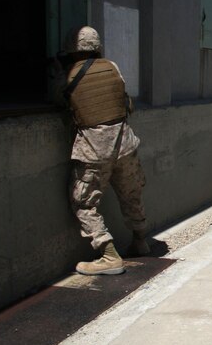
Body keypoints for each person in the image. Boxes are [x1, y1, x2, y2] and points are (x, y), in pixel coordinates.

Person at [61, 26, 149, 276]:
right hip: (124, 143)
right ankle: (140, 240)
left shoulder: (69, 75)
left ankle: (109, 255)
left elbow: (62, 101)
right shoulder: (112, 67)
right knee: (131, 193)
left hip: (95, 148)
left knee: (83, 202)